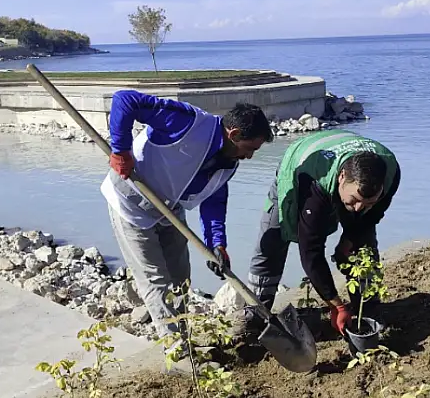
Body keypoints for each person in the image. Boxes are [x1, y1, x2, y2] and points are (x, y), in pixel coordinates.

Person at [101, 89, 273, 337]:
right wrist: (120, 149)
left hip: (169, 210)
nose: (249, 156)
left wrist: (217, 244)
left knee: (181, 279)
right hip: (131, 201)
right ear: (234, 134)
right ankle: (177, 349)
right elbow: (124, 100)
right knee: (156, 281)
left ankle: (184, 337)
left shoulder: (228, 164)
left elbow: (214, 203)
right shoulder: (187, 122)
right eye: (248, 148)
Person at [246, 130, 400, 336]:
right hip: (300, 163)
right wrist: (337, 305)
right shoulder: (312, 183)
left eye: (368, 202)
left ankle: (368, 309)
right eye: (354, 199)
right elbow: (310, 251)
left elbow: (371, 217)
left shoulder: (391, 173)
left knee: (363, 246)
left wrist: (350, 239)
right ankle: (257, 313)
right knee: (272, 241)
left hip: (340, 170)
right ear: (342, 177)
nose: (358, 208)